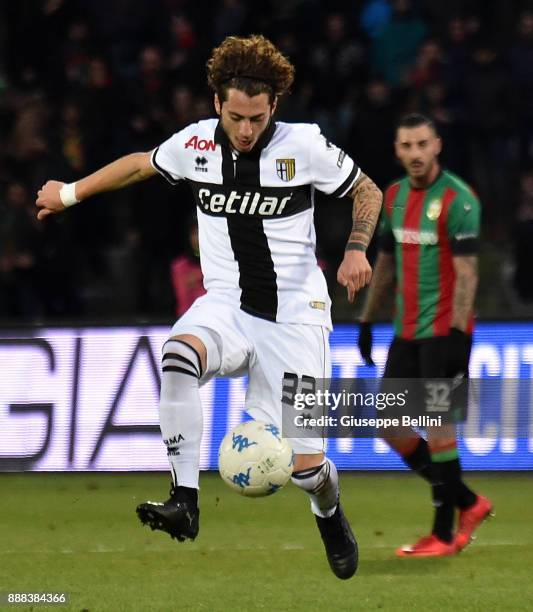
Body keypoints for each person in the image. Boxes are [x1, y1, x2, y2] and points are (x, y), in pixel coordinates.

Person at [36, 35, 383, 579]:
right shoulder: (196, 144)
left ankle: (329, 511)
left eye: (258, 118)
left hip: (296, 317)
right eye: (236, 117)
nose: (246, 130)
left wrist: (357, 249)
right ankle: (185, 499)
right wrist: (70, 193)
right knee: (177, 355)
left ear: (274, 109)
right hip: (225, 304)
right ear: (217, 104)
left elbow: (368, 191)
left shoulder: (305, 145)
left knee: (305, 469)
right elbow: (138, 166)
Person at [357, 113, 493, 557]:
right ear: (397, 150)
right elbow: (386, 263)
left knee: (438, 428)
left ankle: (443, 533)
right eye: (406, 146)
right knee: (389, 425)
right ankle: (468, 502)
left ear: (437, 146)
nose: (415, 153)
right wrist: (365, 320)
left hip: (442, 334)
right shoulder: (394, 197)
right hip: (406, 332)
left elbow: (469, 273)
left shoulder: (459, 200)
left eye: (422, 145)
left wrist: (459, 336)